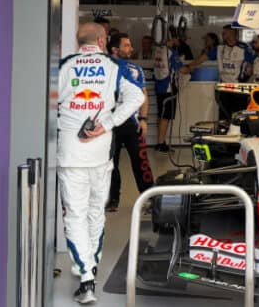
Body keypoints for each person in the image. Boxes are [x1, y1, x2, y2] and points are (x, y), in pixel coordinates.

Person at [58, 23, 145, 304]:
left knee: (75, 214)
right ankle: (88, 265)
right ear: (102, 40)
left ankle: (85, 276)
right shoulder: (112, 65)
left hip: (70, 153)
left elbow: (47, 103)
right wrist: (107, 123)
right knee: (96, 211)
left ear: (78, 41)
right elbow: (137, 97)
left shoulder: (64, 66)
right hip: (100, 153)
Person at [105, 33, 155, 212]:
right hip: (109, 123)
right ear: (115, 49)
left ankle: (150, 198)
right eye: (126, 45)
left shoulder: (135, 69)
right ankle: (113, 199)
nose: (131, 49)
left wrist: (143, 119)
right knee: (110, 164)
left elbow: (143, 95)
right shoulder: (104, 67)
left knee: (141, 162)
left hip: (132, 122)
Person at [153, 27, 184, 153]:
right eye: (178, 37)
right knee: (165, 117)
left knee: (161, 115)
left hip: (159, 87)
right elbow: (182, 70)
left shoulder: (158, 50)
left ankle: (160, 142)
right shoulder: (172, 53)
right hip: (168, 88)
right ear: (173, 38)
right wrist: (192, 67)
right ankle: (161, 144)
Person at [216, 25, 255, 120]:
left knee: (240, 116)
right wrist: (190, 66)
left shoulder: (244, 48)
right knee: (224, 116)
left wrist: (247, 75)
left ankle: (240, 133)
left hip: (239, 88)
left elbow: (252, 64)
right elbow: (205, 56)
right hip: (224, 87)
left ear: (232, 33)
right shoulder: (220, 47)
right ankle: (224, 133)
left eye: (224, 32)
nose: (222, 34)